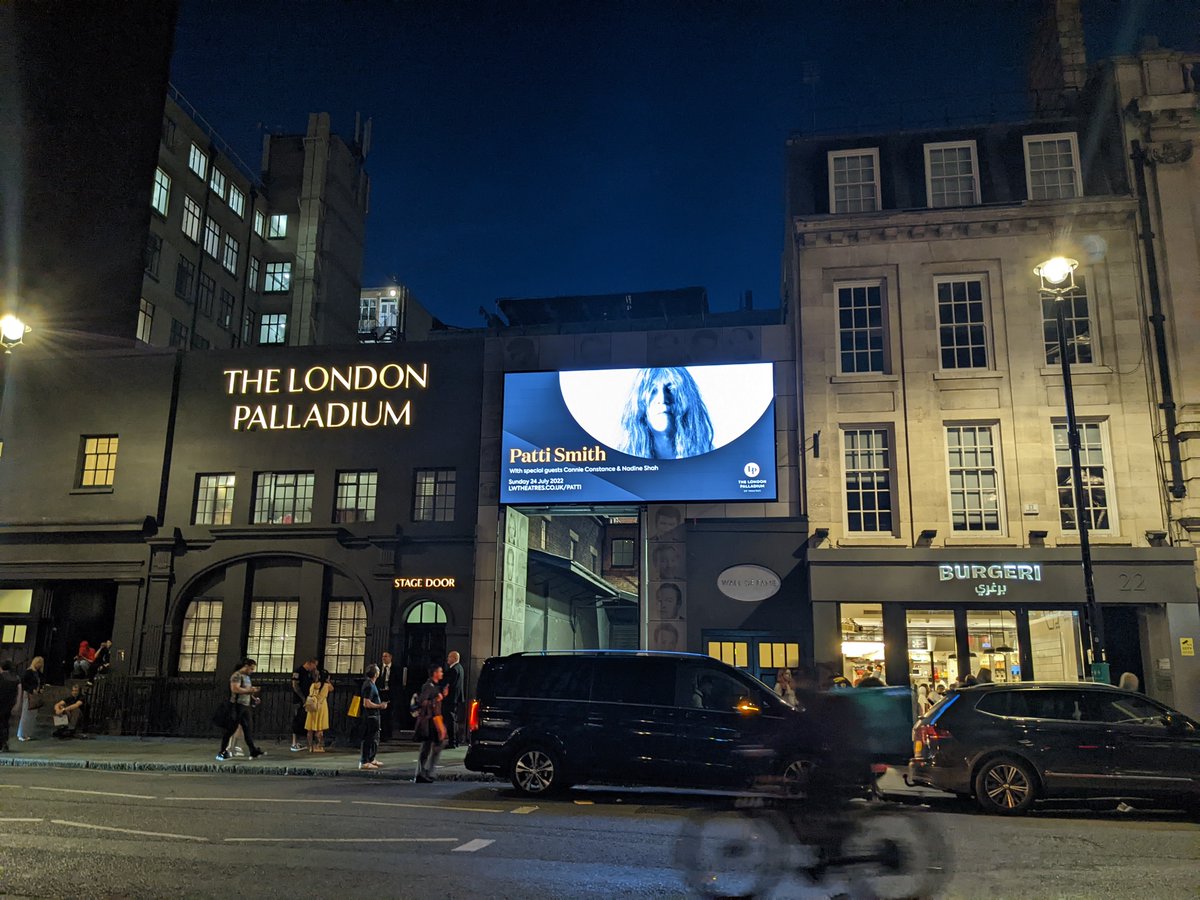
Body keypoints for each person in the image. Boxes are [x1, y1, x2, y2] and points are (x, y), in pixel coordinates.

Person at [618, 367, 714, 460]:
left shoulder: (709, 457)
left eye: (671, 389)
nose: (662, 399)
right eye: (652, 391)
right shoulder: (622, 460)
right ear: (639, 404)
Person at [217, 658, 265, 761]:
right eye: (251, 668)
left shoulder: (246, 677)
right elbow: (235, 689)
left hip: (245, 705)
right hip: (237, 705)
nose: (252, 671)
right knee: (231, 729)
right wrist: (250, 690)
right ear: (246, 666)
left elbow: (246, 690)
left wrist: (253, 697)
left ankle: (253, 750)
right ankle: (222, 752)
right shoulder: (236, 675)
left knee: (248, 729)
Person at [413, 664, 447, 782]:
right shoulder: (428, 686)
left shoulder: (434, 686)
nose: (442, 673)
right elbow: (422, 701)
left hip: (433, 720)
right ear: (435, 673)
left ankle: (425, 772)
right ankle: (423, 772)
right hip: (429, 721)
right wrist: (436, 699)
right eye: (440, 671)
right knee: (428, 747)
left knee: (433, 746)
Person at [358, 663, 388, 770]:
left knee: (374, 738)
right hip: (370, 717)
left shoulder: (372, 684)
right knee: (368, 738)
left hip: (374, 715)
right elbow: (366, 703)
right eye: (378, 671)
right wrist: (380, 705)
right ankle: (364, 761)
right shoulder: (368, 685)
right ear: (375, 674)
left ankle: (371, 758)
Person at [290, 657, 320, 752]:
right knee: (297, 718)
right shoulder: (299, 671)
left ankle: (299, 741)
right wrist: (302, 698)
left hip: (307, 699)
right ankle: (294, 742)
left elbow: (314, 684)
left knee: (304, 719)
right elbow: (295, 685)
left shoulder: (309, 673)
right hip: (299, 700)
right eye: (314, 665)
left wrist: (315, 675)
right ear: (310, 663)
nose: (315, 667)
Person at [17, 656, 44, 742]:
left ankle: (27, 733)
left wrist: (40, 689)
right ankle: (21, 733)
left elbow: (41, 682)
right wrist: (31, 689)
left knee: (33, 714)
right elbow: (23, 683)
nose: (40, 665)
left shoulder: (38, 673)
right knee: (26, 713)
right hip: (28, 693)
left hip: (35, 694)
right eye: (38, 663)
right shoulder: (28, 672)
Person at [305, 671, 334, 752]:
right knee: (320, 728)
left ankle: (311, 747)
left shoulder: (313, 685)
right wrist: (328, 681)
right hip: (322, 707)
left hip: (312, 707)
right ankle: (319, 746)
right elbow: (332, 689)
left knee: (310, 729)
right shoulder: (327, 685)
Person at [443, 650, 465, 749]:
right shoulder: (460, 668)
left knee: (450, 720)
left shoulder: (453, 670)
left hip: (451, 699)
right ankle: (456, 741)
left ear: (455, 658)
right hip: (456, 698)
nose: (448, 658)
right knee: (454, 720)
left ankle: (452, 741)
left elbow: (450, 685)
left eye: (449, 657)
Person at [0, 660, 20, 752]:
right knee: (5, 723)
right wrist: (17, 704)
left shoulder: (1, 677)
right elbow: (19, 692)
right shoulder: (16, 678)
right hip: (9, 703)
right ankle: (5, 742)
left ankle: (2, 743)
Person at [378, 651, 395, 741]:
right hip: (380, 693)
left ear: (390, 657)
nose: (384, 658)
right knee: (381, 714)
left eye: (386, 656)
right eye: (383, 656)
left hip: (390, 693)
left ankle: (388, 734)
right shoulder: (378, 668)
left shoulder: (395, 669)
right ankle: (380, 734)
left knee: (389, 715)